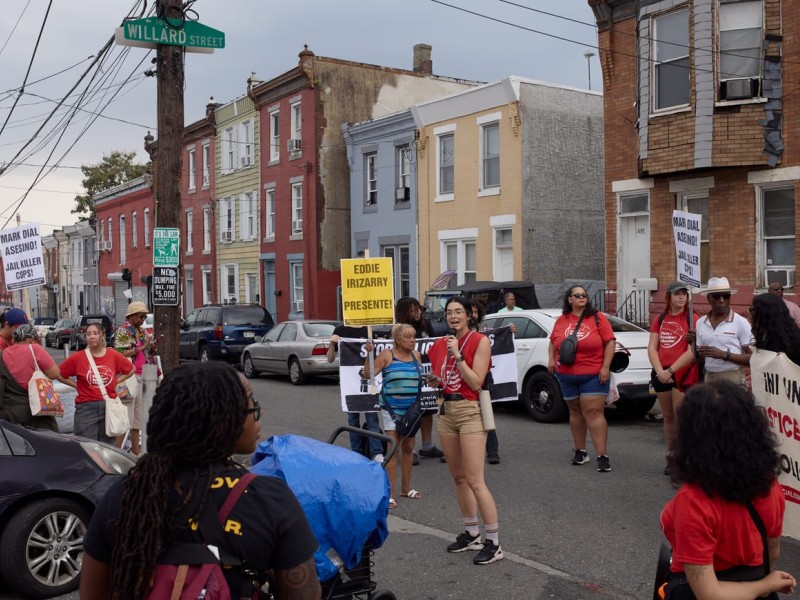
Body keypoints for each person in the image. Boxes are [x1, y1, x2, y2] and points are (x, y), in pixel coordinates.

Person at [79, 361, 321, 600]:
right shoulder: (270, 500)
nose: (259, 412)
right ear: (222, 420)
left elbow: (92, 593)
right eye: (251, 404)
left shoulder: (124, 496)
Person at [660, 381, 796, 600]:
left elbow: (708, 594)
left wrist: (762, 586)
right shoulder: (769, 485)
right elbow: (772, 550)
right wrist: (764, 585)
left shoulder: (693, 500)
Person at [427, 296, 503, 565]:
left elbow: (475, 381)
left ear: (470, 315)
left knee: (475, 479)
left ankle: (493, 542)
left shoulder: (479, 341)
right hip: (446, 411)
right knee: (458, 477)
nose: (453, 316)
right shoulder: (438, 345)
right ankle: (472, 533)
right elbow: (443, 379)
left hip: (470, 410)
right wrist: (434, 379)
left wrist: (458, 355)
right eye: (449, 313)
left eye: (458, 312)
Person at [548, 285, 615, 472]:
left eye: (584, 295)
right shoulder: (561, 320)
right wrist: (550, 360)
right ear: (569, 299)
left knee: (593, 413)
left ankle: (602, 455)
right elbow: (553, 342)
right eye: (577, 295)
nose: (581, 297)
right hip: (567, 374)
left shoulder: (597, 317)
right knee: (575, 413)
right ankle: (581, 452)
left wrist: (605, 367)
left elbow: (610, 342)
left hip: (593, 373)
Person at [364, 323, 425, 510]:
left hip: (412, 410)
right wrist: (369, 354)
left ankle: (406, 488)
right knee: (393, 451)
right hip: (392, 409)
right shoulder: (387, 356)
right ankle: (389, 494)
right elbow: (368, 374)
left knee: (409, 448)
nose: (413, 341)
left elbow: (419, 378)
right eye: (409, 337)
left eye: (414, 337)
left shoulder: (416, 356)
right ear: (398, 340)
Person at [58, 322, 136, 445]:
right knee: (86, 447)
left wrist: (116, 381)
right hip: (86, 408)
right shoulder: (78, 357)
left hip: (109, 406)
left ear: (102, 335)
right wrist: (75, 385)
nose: (91, 337)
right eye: (88, 334)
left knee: (107, 448)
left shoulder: (113, 355)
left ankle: (103, 466)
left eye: (95, 333)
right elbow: (59, 373)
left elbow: (131, 369)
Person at [647, 281, 699, 458]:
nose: (682, 297)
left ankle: (684, 457)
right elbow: (652, 347)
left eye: (684, 293)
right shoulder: (660, 319)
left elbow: (692, 352)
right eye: (677, 294)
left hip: (680, 373)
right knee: (667, 416)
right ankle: (671, 455)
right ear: (668, 297)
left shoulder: (692, 318)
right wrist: (660, 370)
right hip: (661, 372)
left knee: (680, 418)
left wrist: (670, 371)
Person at [395, 296, 443, 462]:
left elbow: (435, 344)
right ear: (403, 311)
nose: (417, 312)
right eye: (413, 309)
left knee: (427, 409)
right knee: (409, 412)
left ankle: (427, 445)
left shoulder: (425, 325)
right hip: (407, 375)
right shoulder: (397, 329)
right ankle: (410, 450)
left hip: (426, 372)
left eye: (418, 308)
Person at [327, 323, 384, 463]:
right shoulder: (340, 330)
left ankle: (376, 453)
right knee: (353, 421)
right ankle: (356, 453)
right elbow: (330, 359)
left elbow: (379, 356)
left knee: (372, 418)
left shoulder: (369, 330)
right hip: (350, 383)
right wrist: (332, 343)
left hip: (369, 381)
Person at [0, 323, 61, 431]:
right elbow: (55, 373)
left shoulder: (2, 354)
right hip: (35, 411)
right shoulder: (35, 349)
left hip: (9, 412)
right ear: (32, 339)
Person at [696, 277, 752, 386]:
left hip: (732, 378)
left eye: (726, 296)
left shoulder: (740, 322)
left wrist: (724, 355)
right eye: (717, 296)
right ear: (709, 298)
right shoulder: (700, 323)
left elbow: (753, 359)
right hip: (709, 377)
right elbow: (700, 358)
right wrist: (692, 343)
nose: (722, 300)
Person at [113, 301, 153, 456]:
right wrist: (141, 348)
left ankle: (136, 454)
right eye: (141, 316)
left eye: (144, 316)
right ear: (131, 316)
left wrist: (151, 347)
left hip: (143, 374)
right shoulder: (123, 331)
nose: (143, 319)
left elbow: (145, 352)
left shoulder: (142, 331)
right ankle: (117, 453)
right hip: (129, 376)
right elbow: (120, 353)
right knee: (126, 417)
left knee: (138, 419)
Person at [470, 300, 500, 465]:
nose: (473, 315)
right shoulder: (455, 333)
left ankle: (492, 451)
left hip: (484, 378)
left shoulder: (486, 332)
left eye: (475, 312)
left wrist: (509, 331)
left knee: (486, 413)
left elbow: (500, 335)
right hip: (463, 379)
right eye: (470, 312)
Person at [750, 292, 800, 365]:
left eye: (752, 309)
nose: (750, 313)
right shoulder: (764, 335)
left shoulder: (786, 342)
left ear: (764, 314)